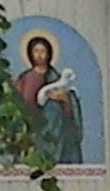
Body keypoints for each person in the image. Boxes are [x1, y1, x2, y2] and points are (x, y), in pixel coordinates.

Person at [13, 34, 83, 164]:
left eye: (43, 51)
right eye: (36, 51)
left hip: (54, 130)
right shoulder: (24, 79)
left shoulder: (56, 77)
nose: (39, 55)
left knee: (53, 106)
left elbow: (69, 102)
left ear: (49, 54)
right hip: (31, 127)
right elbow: (16, 103)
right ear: (30, 53)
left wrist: (65, 99)